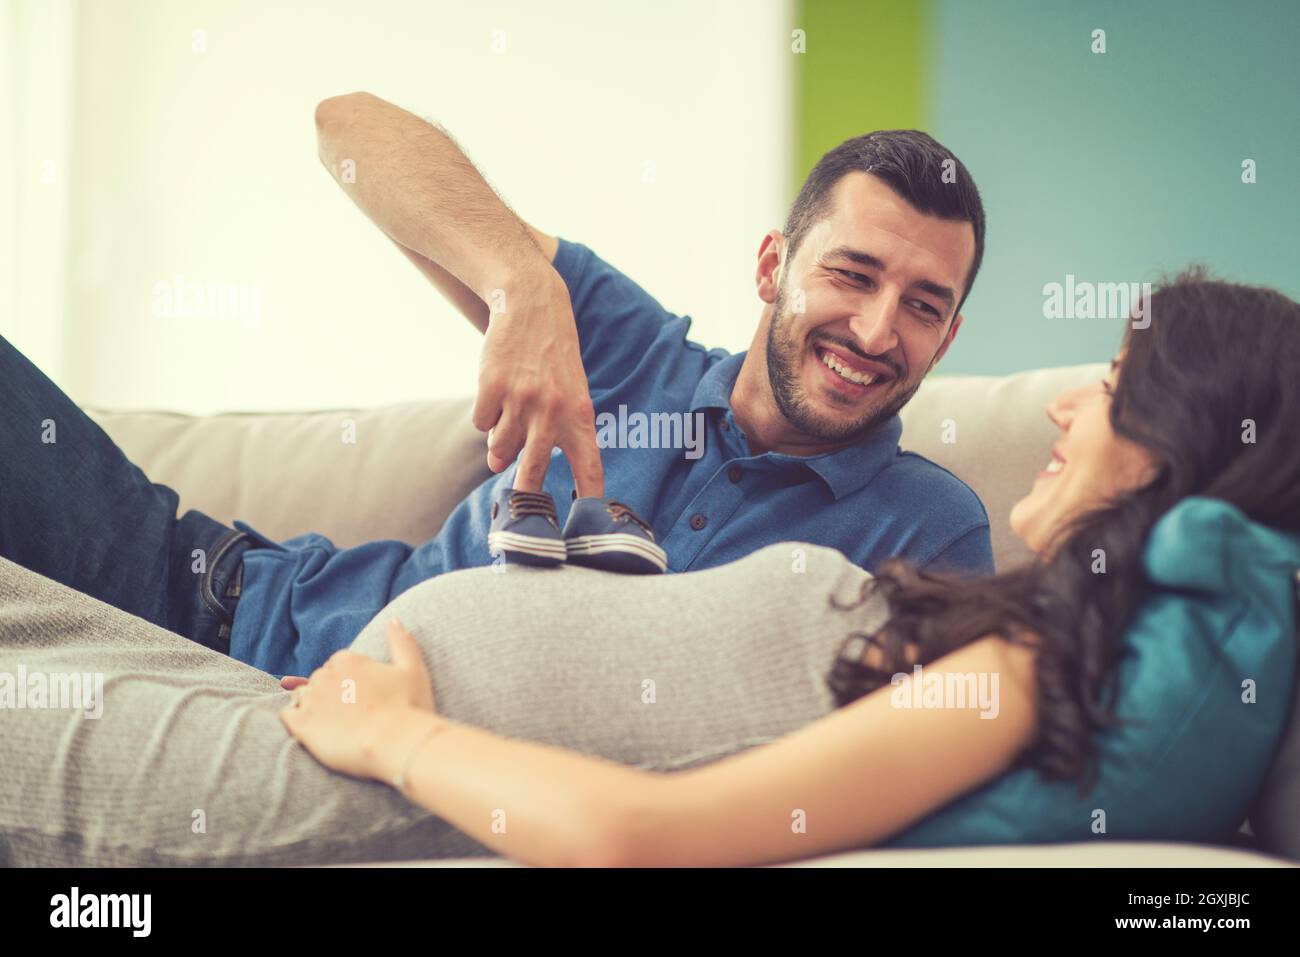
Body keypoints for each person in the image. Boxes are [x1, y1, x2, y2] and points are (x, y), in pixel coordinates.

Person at [4, 272, 1295, 867]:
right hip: (306, 685)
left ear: (1172, 452)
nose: (1071, 410)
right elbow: (359, 136)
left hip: (328, 761)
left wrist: (398, 739)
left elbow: (642, 836)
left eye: (1113, 392)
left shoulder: (1030, 670)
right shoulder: (1033, 634)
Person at [0, 93, 994, 680]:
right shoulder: (633, 350)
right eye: (852, 275)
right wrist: (522, 286)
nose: (873, 331)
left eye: (920, 304)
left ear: (947, 338)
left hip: (307, 722)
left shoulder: (927, 529)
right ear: (773, 265)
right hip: (206, 593)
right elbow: (348, 128)